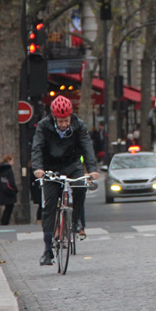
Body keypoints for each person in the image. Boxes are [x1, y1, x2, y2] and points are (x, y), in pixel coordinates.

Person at [31, 96, 99, 266]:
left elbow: (87, 147)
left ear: (71, 117)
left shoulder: (79, 126)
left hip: (72, 164)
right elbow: (37, 147)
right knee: (49, 207)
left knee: (80, 186)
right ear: (54, 117)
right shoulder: (43, 126)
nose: (63, 124)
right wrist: (38, 168)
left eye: (66, 120)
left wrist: (92, 169)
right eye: (60, 121)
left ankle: (76, 220)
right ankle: (48, 251)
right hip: (51, 167)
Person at [0, 154, 19, 226]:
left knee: (7, 207)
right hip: (9, 191)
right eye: (12, 160)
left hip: (1, 191)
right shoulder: (9, 170)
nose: (13, 162)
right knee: (9, 207)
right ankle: (4, 221)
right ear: (9, 161)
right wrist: (15, 190)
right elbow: (12, 182)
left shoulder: (0, 170)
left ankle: (4, 221)